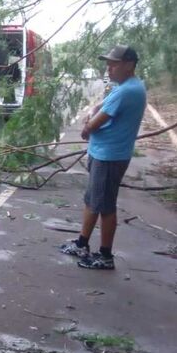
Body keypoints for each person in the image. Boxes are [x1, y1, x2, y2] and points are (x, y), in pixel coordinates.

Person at [59, 46, 146, 270]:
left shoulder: (126, 91)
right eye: (108, 63)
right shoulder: (128, 87)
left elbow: (93, 124)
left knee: (106, 207)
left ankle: (105, 256)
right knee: (92, 201)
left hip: (109, 156)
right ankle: (82, 243)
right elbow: (103, 106)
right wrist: (96, 109)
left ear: (129, 65)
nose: (109, 68)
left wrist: (87, 127)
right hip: (105, 153)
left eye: (114, 64)